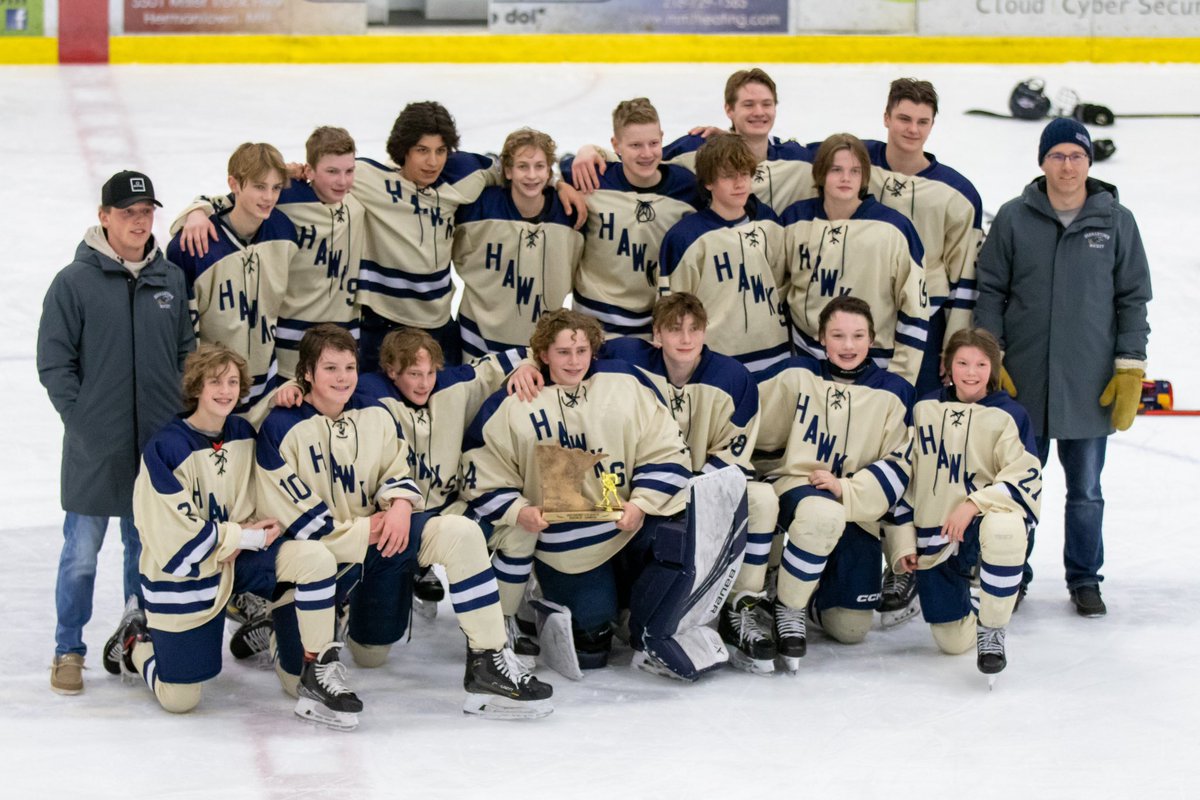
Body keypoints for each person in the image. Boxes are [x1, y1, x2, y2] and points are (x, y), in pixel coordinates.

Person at [256, 324, 552, 718]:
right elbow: (296, 523)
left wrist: (398, 505)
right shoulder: (280, 426)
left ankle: (488, 662)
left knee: (457, 537)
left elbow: (395, 469)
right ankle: (281, 632)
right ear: (307, 372)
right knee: (295, 682)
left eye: (348, 367)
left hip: (378, 543)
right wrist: (371, 528)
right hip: (319, 560)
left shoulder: (372, 413)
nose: (342, 378)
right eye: (330, 368)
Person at [462, 309, 739, 680]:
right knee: (592, 646)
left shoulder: (624, 382)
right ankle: (544, 599)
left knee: (677, 541)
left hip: (630, 524)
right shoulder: (513, 402)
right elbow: (479, 470)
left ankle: (639, 619)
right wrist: (519, 511)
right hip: (568, 544)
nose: (574, 361)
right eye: (563, 352)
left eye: (581, 351)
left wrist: (641, 504)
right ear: (543, 354)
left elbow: (666, 449)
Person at [102, 344, 355, 727]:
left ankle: (312, 667)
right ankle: (136, 640)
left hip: (241, 560)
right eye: (215, 382)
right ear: (196, 388)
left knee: (314, 559)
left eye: (233, 382)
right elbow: (174, 538)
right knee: (180, 698)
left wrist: (284, 392)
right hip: (186, 575)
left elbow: (267, 443)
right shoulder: (165, 449)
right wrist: (240, 537)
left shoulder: (241, 432)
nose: (225, 391)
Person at [974, 117, 1151, 617]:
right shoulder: (1013, 217)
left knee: (1086, 491)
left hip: (1089, 383)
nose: (1067, 166)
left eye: (1076, 156)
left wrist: (1129, 367)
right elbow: (990, 290)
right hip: (1024, 382)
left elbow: (1133, 298)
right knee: (1016, 486)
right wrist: (992, 355)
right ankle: (1012, 573)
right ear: (1043, 161)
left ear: (1089, 163)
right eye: (1057, 156)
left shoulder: (1117, 221)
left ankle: (1085, 579)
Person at [37, 170, 195, 695]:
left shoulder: (169, 279)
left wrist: (177, 416)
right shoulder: (73, 283)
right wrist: (82, 419)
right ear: (104, 217)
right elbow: (54, 363)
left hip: (154, 446)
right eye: (128, 212)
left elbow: (185, 352)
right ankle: (68, 649)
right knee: (81, 553)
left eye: (146, 212)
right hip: (95, 447)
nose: (139, 221)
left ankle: (136, 639)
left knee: (143, 550)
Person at [860, 78, 985, 623]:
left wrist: (953, 346)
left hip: (924, 334)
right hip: (859, 333)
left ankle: (912, 558)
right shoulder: (854, 163)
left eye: (922, 121)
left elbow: (964, 278)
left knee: (920, 447)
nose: (912, 129)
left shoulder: (958, 193)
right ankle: (861, 556)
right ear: (886, 117)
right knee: (865, 443)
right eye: (903, 118)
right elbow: (770, 154)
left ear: (932, 125)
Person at [603, 294, 781, 674]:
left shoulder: (733, 379)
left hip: (699, 487)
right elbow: (567, 354)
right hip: (642, 488)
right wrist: (528, 366)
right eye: (674, 329)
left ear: (705, 332)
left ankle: (740, 606)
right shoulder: (624, 360)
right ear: (656, 335)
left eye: (694, 329)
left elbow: (732, 456)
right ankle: (618, 605)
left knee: (762, 499)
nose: (685, 339)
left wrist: (688, 491)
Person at [353, 102, 586, 370]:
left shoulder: (463, 173)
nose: (432, 162)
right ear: (403, 149)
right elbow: (328, 172)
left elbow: (512, 169)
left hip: (437, 325)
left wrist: (558, 183)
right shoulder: (369, 178)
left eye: (441, 151)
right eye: (422, 150)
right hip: (381, 323)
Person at [754, 296, 914, 670]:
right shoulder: (796, 375)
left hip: (858, 508)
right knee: (820, 514)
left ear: (872, 338)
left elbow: (902, 469)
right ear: (821, 338)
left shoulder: (895, 393)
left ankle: (807, 587)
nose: (848, 345)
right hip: (797, 489)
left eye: (858, 336)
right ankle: (787, 606)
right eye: (838, 335)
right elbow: (751, 430)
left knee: (850, 628)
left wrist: (849, 490)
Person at [173, 126, 365, 381]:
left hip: (340, 344)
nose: (342, 181)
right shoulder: (284, 202)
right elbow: (233, 199)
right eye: (332, 171)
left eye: (349, 171)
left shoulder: (357, 199)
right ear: (309, 170)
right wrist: (197, 210)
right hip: (284, 350)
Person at [901, 329, 1041, 677]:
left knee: (1005, 528)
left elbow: (1025, 478)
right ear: (947, 365)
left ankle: (992, 626)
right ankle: (977, 602)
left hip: (981, 524)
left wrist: (973, 504)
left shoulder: (1010, 415)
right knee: (951, 642)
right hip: (936, 536)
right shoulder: (924, 409)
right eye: (962, 363)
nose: (971, 372)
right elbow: (904, 476)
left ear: (993, 369)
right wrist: (901, 542)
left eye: (981, 364)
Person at [780, 133, 929, 387]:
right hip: (808, 363)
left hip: (874, 368)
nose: (846, 178)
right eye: (836, 170)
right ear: (821, 173)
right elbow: (777, 292)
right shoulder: (794, 220)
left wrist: (900, 379)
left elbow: (915, 308)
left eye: (855, 171)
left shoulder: (894, 228)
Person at [167, 143, 298, 426]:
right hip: (214, 394)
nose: (269, 197)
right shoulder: (193, 246)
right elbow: (181, 332)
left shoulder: (284, 231)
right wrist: (196, 210)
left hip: (267, 391)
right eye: (259, 187)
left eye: (276, 188)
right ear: (234, 184)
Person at [572, 69, 816, 214]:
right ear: (729, 110)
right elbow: (645, 157)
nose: (759, 112)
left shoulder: (796, 157)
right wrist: (592, 151)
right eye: (748, 105)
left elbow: (836, 155)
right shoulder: (698, 148)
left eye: (766, 104)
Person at [561, 98, 701, 338]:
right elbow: (538, 177)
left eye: (653, 143)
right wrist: (559, 185)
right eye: (635, 145)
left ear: (662, 138)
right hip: (591, 325)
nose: (646, 153)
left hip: (655, 326)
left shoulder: (687, 187)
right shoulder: (591, 178)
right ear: (616, 145)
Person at [658, 132, 790, 375]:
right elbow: (672, 309)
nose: (739, 184)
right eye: (728, 176)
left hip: (774, 354)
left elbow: (781, 285)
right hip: (716, 360)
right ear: (709, 182)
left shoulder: (769, 223)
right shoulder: (685, 238)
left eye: (744, 174)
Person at [452, 127, 584, 358]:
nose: (532, 175)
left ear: (549, 171)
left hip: (538, 346)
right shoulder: (478, 205)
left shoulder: (569, 212)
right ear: (508, 170)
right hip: (476, 341)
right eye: (523, 166)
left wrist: (560, 183)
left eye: (539, 166)